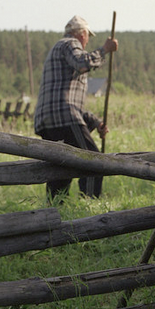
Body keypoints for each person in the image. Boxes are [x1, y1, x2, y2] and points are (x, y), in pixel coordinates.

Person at [33, 15, 118, 200]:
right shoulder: (70, 43)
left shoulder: (59, 49)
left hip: (49, 121)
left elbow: (68, 101)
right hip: (64, 118)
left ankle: (55, 210)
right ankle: (89, 206)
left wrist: (96, 122)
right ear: (82, 34)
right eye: (88, 36)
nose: (87, 41)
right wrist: (105, 50)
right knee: (93, 161)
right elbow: (82, 64)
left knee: (62, 166)